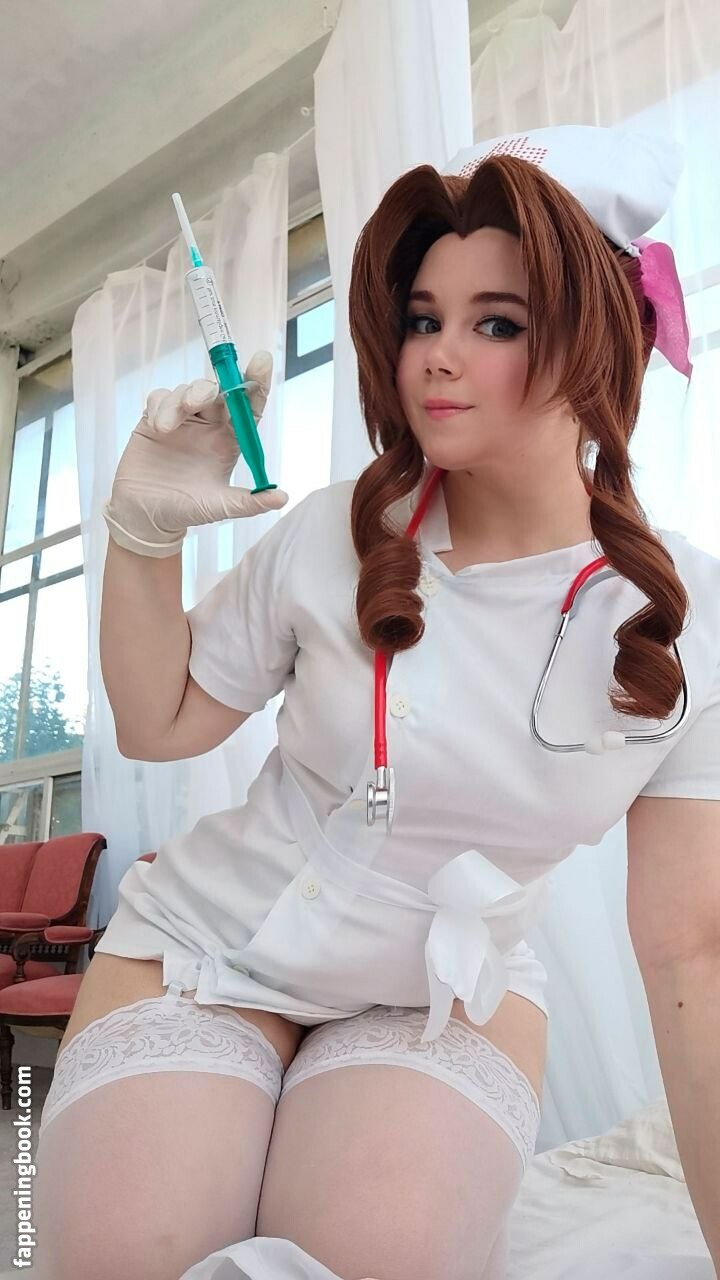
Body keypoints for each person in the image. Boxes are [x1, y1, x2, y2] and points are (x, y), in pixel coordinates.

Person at [31, 124, 718, 1280]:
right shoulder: (333, 531)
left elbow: (693, 951)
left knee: (374, 1254)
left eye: (496, 322)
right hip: (204, 946)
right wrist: (140, 537)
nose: (437, 356)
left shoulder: (688, 616)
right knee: (125, 1248)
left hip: (435, 993)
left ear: (602, 338)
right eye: (422, 319)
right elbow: (158, 723)